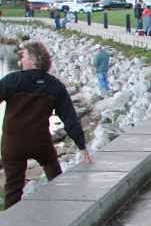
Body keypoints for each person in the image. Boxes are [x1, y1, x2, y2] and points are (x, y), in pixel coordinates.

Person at [0, 41, 93, 209]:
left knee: (13, 189)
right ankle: (57, 211)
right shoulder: (55, 86)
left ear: (35, 59)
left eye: (23, 56)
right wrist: (81, 146)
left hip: (13, 144)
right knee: (55, 176)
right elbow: (69, 117)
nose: (20, 60)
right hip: (40, 142)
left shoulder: (13, 80)